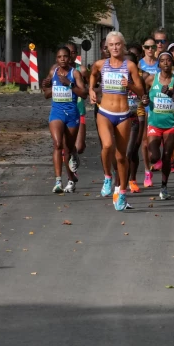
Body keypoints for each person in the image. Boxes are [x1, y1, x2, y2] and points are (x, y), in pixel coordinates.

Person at [89, 31, 144, 211]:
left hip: (123, 114)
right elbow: (93, 74)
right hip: (104, 111)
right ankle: (107, 176)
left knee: (121, 156)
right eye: (111, 45)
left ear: (123, 46)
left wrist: (128, 85)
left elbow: (141, 91)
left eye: (117, 44)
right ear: (106, 47)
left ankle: (121, 192)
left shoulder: (130, 67)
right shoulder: (100, 64)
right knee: (106, 146)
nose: (114, 47)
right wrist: (91, 90)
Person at [42, 47, 88, 193]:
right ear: (56, 59)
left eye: (65, 57)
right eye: (60, 57)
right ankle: (57, 181)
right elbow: (47, 94)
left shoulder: (75, 73)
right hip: (56, 112)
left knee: (68, 148)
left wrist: (69, 84)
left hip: (72, 113)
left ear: (70, 58)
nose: (62, 59)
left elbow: (84, 94)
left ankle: (70, 176)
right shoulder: (53, 71)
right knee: (57, 144)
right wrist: (46, 87)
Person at [142, 52, 174, 201]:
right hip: (154, 123)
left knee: (166, 157)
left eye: (168, 60)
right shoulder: (151, 79)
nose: (165, 63)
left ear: (172, 63)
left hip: (171, 124)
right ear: (158, 64)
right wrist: (144, 100)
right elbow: (144, 95)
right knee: (154, 156)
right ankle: (155, 165)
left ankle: (164, 186)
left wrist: (171, 93)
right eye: (162, 61)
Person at [124, 51, 145, 194]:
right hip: (121, 118)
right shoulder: (118, 79)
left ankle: (131, 179)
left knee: (132, 150)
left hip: (137, 117)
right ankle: (121, 179)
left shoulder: (140, 80)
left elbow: (144, 97)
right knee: (125, 151)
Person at [139, 37, 159, 187]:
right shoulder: (139, 64)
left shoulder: (162, 63)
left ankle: (157, 158)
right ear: (143, 48)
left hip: (160, 107)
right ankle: (147, 171)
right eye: (147, 47)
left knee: (158, 141)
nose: (150, 50)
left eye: (153, 47)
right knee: (144, 142)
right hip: (145, 106)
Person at [66, 42, 89, 155]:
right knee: (64, 146)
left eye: (73, 52)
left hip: (79, 111)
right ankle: (69, 169)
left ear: (77, 54)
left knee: (79, 147)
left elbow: (90, 86)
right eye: (68, 52)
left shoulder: (82, 70)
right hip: (63, 111)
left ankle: (76, 151)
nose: (70, 55)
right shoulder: (57, 70)